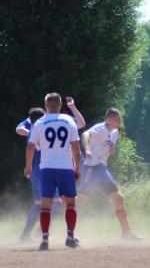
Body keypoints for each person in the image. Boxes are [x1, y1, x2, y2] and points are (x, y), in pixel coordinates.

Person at [17, 97, 86, 242]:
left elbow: (21, 133)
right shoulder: (53, 123)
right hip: (44, 171)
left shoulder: (37, 127)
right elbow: (78, 131)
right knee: (49, 203)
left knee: (50, 203)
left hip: (43, 171)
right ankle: (31, 234)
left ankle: (40, 233)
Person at [78, 108, 142, 240]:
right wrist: (88, 149)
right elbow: (85, 134)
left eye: (120, 119)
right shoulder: (100, 128)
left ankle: (126, 233)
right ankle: (67, 230)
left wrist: (112, 150)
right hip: (90, 168)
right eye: (117, 118)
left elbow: (109, 148)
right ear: (109, 119)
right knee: (80, 202)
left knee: (118, 199)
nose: (119, 121)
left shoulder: (115, 132)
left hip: (101, 170)